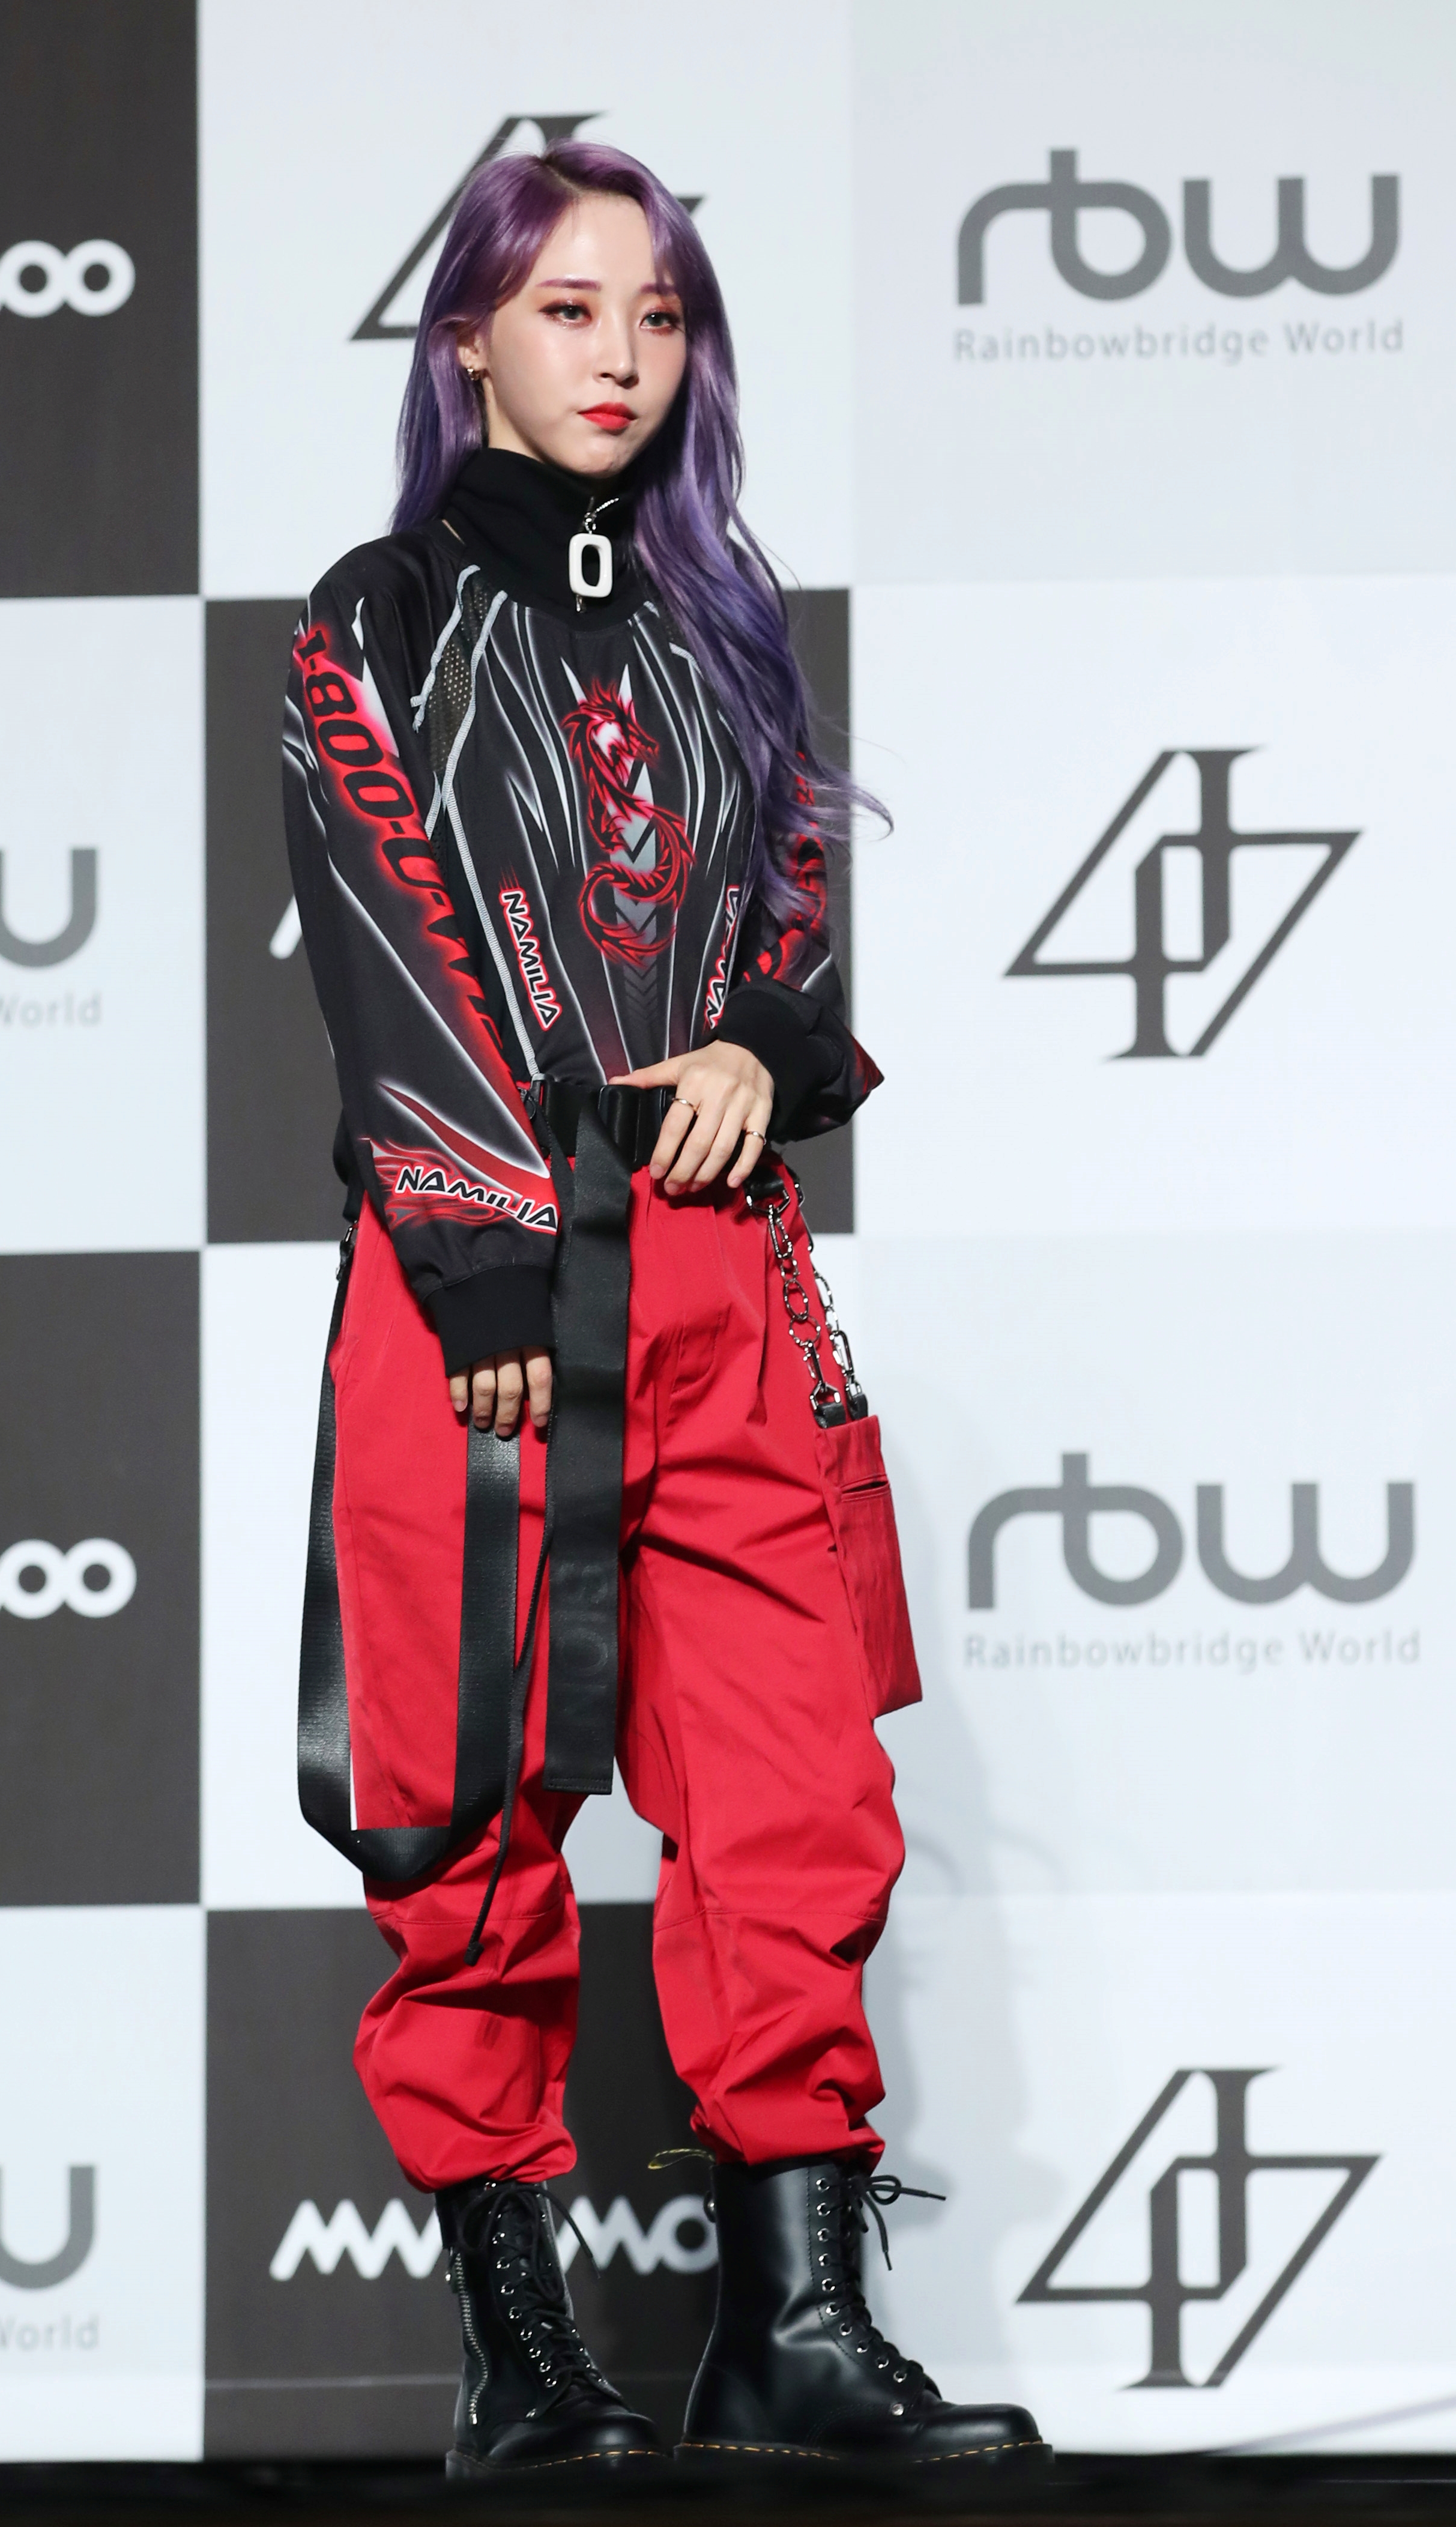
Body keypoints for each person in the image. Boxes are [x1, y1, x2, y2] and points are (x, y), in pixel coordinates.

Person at [282, 139, 1046, 2482]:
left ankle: (788, 2335)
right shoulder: (382, 613)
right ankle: (524, 2366)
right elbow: (387, 932)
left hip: (723, 1263)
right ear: (469, 341)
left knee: (797, 1788)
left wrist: (764, 1046)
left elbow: (793, 905)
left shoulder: (731, 615)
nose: (620, 355)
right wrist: (486, 1248)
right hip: (482, 1279)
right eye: (568, 308)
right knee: (463, 1805)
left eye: (660, 314)